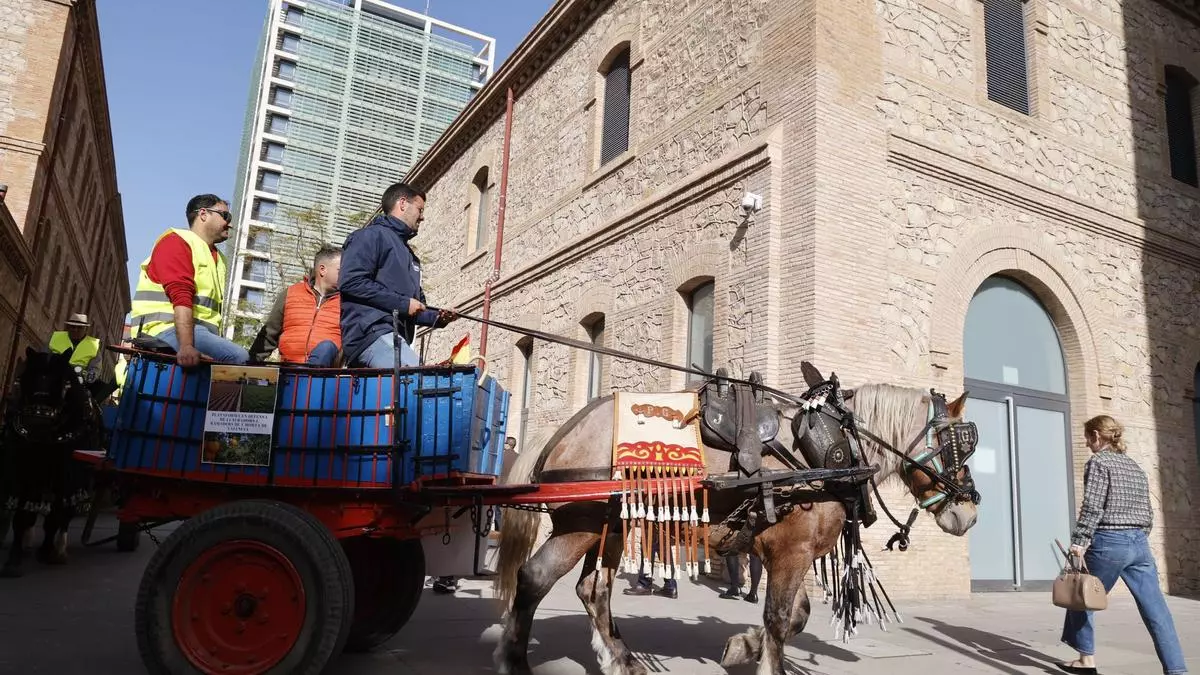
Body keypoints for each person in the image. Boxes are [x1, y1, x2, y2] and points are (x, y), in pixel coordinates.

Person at [1058, 415, 1187, 675]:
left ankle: (1086, 661)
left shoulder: (1099, 462)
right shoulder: (1133, 465)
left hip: (1109, 542)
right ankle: (1177, 670)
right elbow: (1148, 509)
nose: (1086, 443)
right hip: (1139, 542)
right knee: (1156, 610)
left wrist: (1079, 542)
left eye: (1087, 437)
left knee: (1081, 596)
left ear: (1096, 436)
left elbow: (1093, 506)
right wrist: (1140, 535)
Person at [338, 182, 456, 369]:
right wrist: (403, 303)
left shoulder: (411, 256)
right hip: (370, 333)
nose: (422, 217)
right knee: (420, 381)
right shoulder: (369, 236)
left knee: (414, 385)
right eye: (420, 209)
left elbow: (415, 308)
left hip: (395, 338)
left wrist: (438, 317)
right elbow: (351, 282)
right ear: (402, 204)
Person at [129, 194, 248, 367]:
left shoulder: (219, 259)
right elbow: (181, 295)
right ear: (203, 214)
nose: (229, 223)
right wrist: (186, 346)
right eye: (225, 216)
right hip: (163, 329)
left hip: (197, 333)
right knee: (238, 358)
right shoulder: (177, 241)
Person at [250, 246, 343, 366]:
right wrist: (251, 365)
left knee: (326, 347)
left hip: (326, 374)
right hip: (289, 372)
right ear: (322, 270)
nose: (347, 274)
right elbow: (269, 333)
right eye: (341, 270)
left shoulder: (348, 303)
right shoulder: (291, 293)